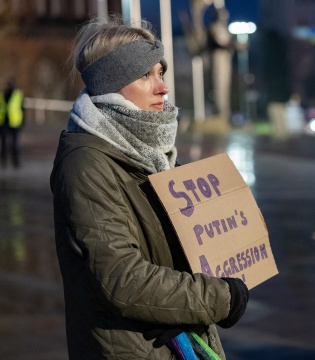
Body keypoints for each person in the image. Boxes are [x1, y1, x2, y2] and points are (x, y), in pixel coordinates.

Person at [50, 15, 248, 359]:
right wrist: (221, 298)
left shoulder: (152, 153)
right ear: (111, 84)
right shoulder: (86, 164)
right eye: (145, 74)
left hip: (176, 341)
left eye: (160, 72)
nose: (163, 87)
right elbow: (122, 280)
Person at [0, 77, 25, 168]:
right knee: (5, 143)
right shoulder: (3, 95)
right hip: (4, 122)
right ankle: (5, 160)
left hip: (14, 122)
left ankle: (15, 160)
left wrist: (22, 121)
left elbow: (22, 109)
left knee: (14, 143)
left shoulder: (18, 95)